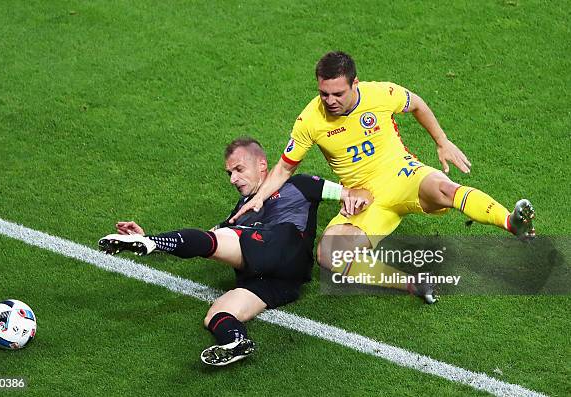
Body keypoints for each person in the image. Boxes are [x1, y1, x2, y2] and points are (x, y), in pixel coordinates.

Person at [230, 51, 535, 299]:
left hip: (403, 175)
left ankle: (511, 222)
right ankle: (413, 284)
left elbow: (417, 104)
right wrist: (257, 199)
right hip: (365, 199)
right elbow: (285, 167)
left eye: (337, 93)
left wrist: (442, 142)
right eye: (323, 93)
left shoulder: (380, 93)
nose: (330, 100)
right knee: (328, 255)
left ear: (355, 84)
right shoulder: (310, 119)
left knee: (445, 189)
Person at [98, 137, 372, 366]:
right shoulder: (238, 213)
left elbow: (352, 192)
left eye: (239, 169)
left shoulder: (298, 184)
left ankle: (153, 243)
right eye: (230, 173)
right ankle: (236, 342)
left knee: (221, 239)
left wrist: (353, 201)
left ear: (262, 165)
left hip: (285, 247)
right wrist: (144, 237)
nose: (233, 178)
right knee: (218, 312)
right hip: (279, 283)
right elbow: (201, 241)